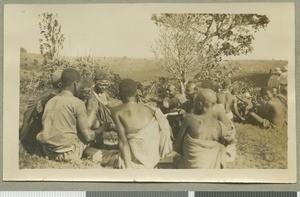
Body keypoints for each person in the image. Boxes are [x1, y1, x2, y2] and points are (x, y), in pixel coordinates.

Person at [97, 78, 173, 169]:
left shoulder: (116, 111)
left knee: (89, 152)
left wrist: (128, 167)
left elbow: (123, 142)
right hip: (153, 158)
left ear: (120, 94)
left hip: (134, 161)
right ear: (136, 92)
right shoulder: (151, 109)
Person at [36, 68, 105, 161]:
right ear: (76, 84)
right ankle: (101, 150)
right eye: (80, 84)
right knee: (95, 125)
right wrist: (103, 127)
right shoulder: (76, 103)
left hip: (47, 151)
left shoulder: (51, 101)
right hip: (68, 153)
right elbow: (89, 137)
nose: (80, 87)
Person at [174, 89, 234, 169]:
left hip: (191, 168)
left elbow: (177, 147)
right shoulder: (220, 126)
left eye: (194, 103)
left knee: (176, 158)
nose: (193, 105)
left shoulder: (189, 119)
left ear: (200, 104)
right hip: (211, 167)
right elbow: (226, 142)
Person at [20, 69, 63, 154]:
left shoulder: (47, 93)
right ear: (60, 84)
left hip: (25, 136)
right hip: (33, 142)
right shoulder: (53, 98)